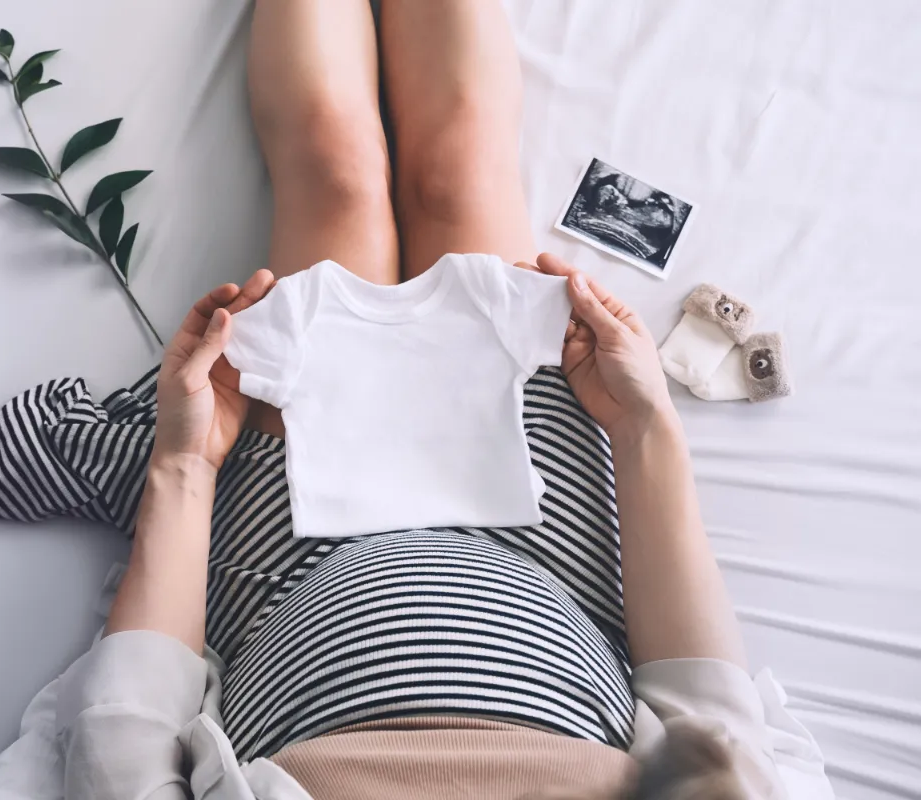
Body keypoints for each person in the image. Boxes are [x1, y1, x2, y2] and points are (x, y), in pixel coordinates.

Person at [55, 2, 786, 798]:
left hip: (290, 570)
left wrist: (185, 463)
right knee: (456, 174)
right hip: (547, 556)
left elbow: (123, 749)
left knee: (339, 176)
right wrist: (644, 425)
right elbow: (712, 723)